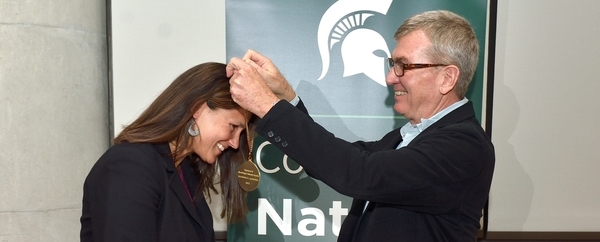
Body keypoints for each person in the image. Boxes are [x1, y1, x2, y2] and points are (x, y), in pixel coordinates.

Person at [226, 10, 495, 242]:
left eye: (403, 66)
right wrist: (286, 97)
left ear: (447, 78)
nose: (391, 77)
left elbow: (359, 173)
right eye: (392, 64)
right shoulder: (413, 135)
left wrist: (266, 105)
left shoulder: (463, 146)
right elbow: (337, 159)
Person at [80, 62, 255, 241]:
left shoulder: (185, 171)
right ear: (197, 108)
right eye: (233, 126)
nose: (235, 143)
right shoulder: (130, 166)